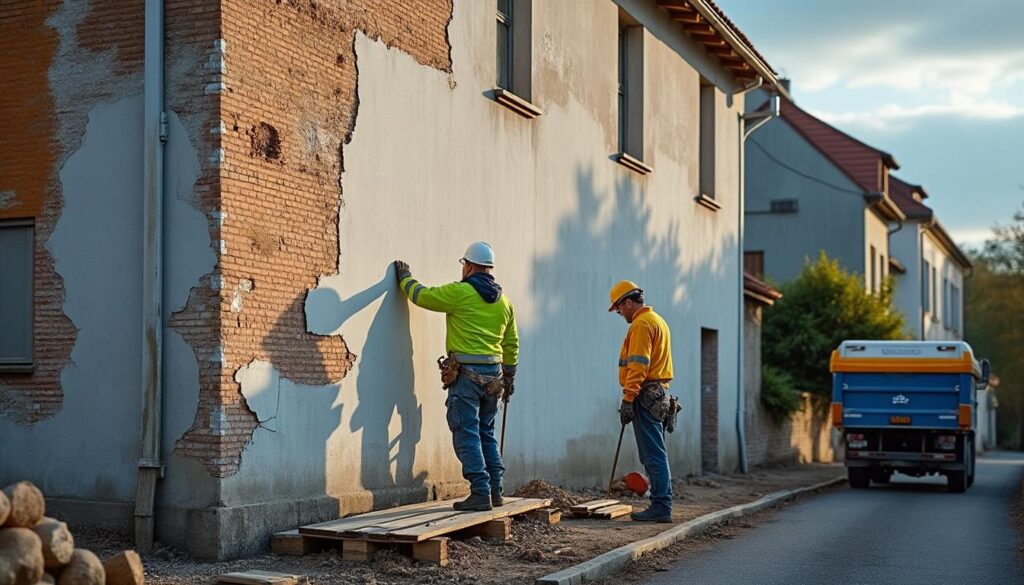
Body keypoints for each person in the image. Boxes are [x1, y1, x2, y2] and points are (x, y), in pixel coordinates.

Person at [394, 242, 518, 511]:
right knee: (487, 432)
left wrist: (405, 279)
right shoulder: (504, 302)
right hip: (494, 378)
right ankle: (496, 490)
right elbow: (511, 343)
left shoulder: (460, 292)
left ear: (469, 266)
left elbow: (423, 296)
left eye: (464, 265)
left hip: (466, 377)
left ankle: (480, 492)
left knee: (467, 432)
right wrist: (509, 377)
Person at [608, 280, 674, 523]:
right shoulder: (658, 321)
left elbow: (638, 365)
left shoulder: (641, 324)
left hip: (646, 395)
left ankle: (661, 505)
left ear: (628, 302)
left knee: (652, 454)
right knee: (655, 452)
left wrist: (628, 399)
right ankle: (661, 502)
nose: (619, 313)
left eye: (618, 308)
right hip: (657, 394)